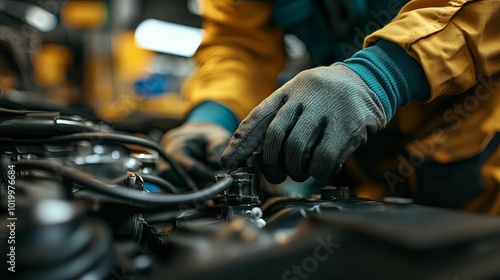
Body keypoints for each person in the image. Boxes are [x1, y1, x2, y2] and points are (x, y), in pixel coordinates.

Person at [162, 0, 500, 214]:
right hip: (371, 164)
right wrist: (213, 115)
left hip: (482, 154)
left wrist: (388, 71)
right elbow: (238, 42)